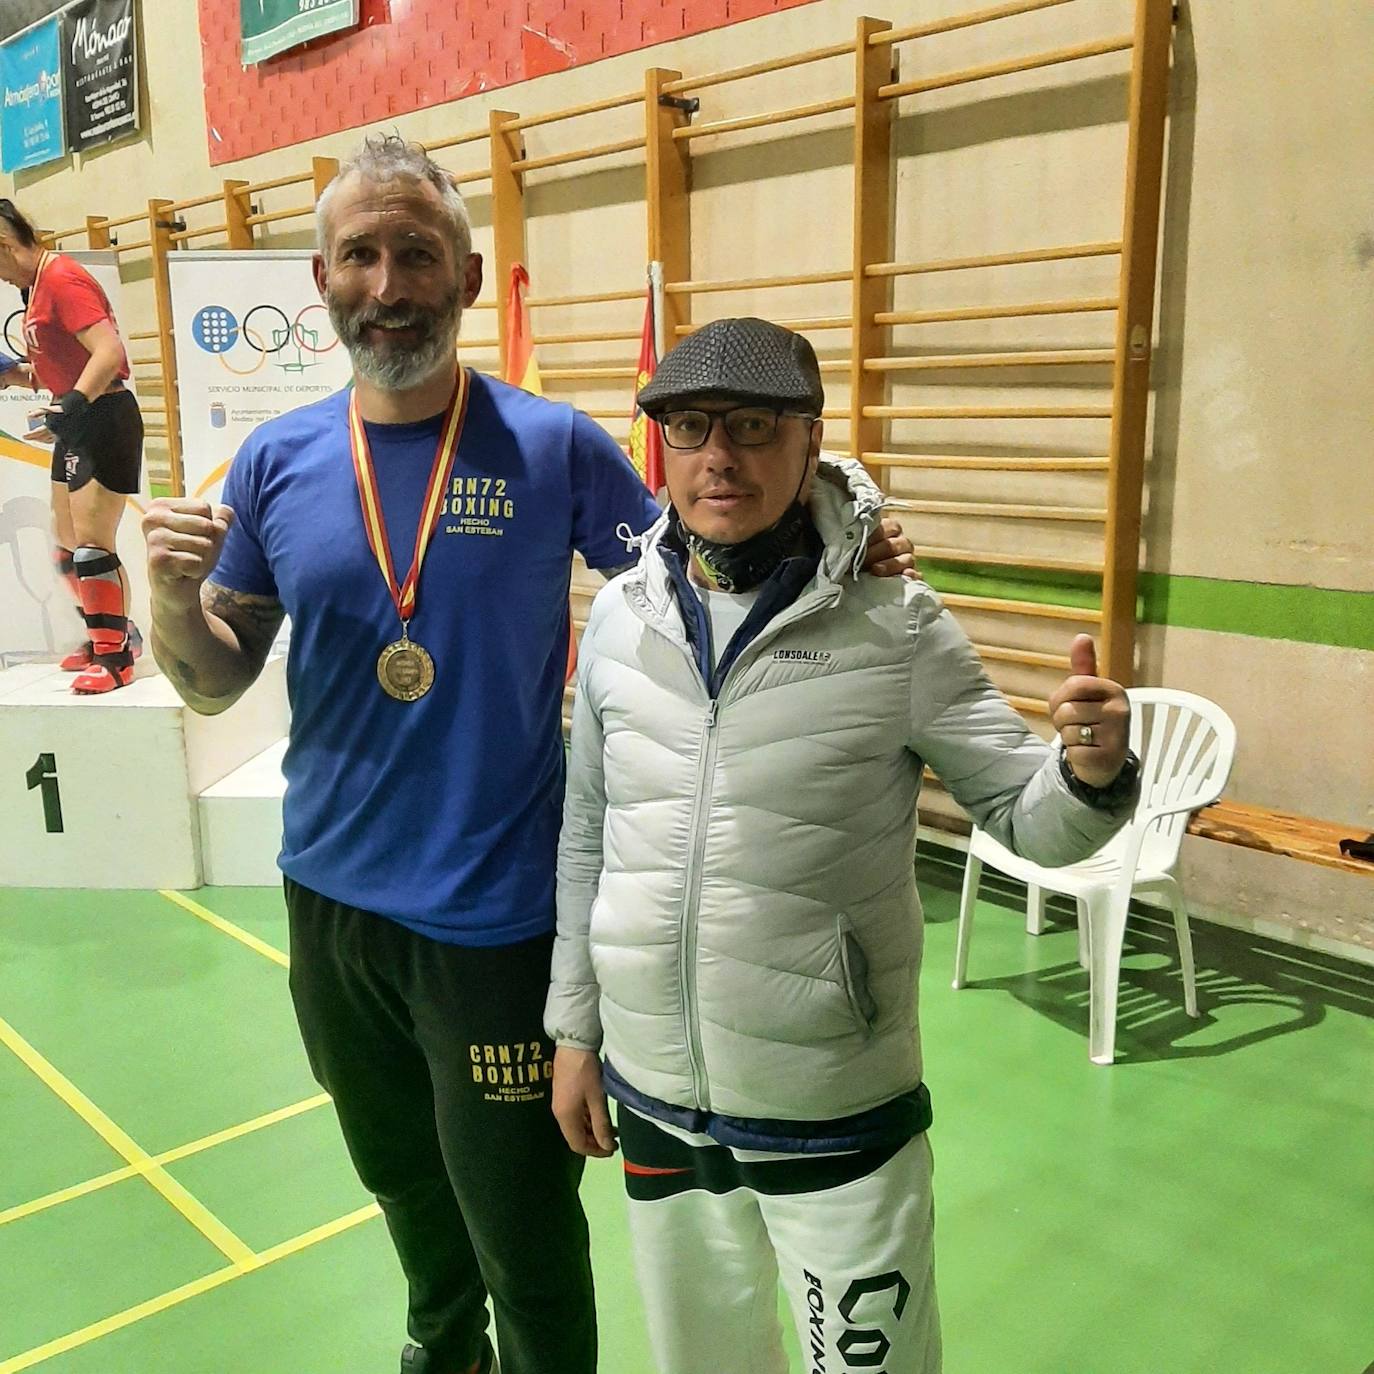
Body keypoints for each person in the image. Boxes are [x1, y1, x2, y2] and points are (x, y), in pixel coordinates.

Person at [141, 136, 916, 1374]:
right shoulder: (279, 461)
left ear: (463, 276)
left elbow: (702, 569)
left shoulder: (551, 447)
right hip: (329, 909)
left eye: (416, 255)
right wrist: (173, 603)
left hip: (497, 922)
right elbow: (217, 670)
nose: (387, 283)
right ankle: (438, 1352)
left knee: (525, 1230)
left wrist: (842, 546)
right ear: (322, 277)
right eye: (361, 255)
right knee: (401, 1186)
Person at [547, 316, 1142, 1374]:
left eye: (752, 425)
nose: (719, 454)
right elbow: (591, 834)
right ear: (663, 449)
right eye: (690, 427)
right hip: (656, 1106)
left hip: (833, 1114)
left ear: (809, 440)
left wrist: (1090, 776)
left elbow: (1028, 816)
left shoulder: (895, 627)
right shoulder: (619, 621)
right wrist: (576, 1031)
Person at [0, 197, 144, 692]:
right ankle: (109, 633)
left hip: (104, 417)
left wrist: (72, 406)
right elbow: (54, 367)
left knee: (90, 547)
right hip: (79, 420)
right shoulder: (35, 288)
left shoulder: (61, 278)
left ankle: (116, 657)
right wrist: (10, 374)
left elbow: (109, 352)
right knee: (65, 544)